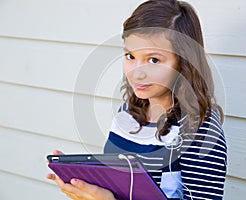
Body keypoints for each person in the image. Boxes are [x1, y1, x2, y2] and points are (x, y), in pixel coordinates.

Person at [46, 0, 227, 199]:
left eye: (154, 60)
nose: (137, 74)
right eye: (130, 56)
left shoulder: (200, 127)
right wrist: (83, 182)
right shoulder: (128, 112)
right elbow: (117, 185)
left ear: (183, 63)